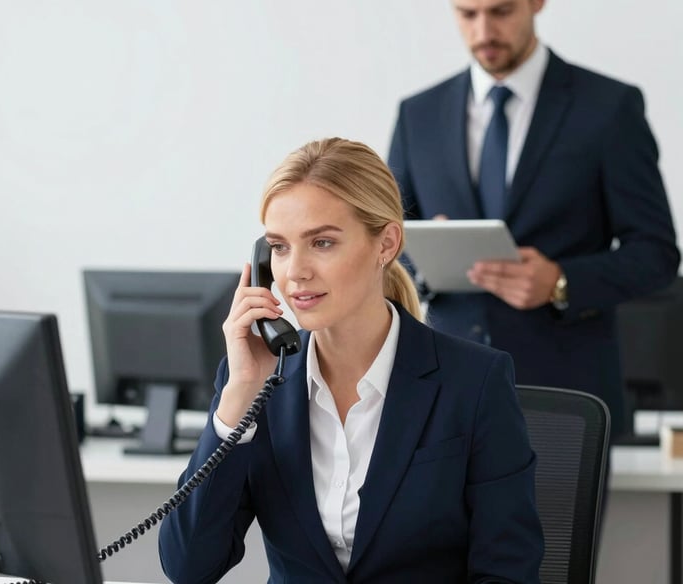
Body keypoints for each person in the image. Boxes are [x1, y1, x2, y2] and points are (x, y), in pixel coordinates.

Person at [158, 137, 543, 583]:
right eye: (279, 247)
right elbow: (189, 567)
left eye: (322, 242)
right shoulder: (256, 384)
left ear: (386, 244)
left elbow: (507, 572)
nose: (295, 271)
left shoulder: (474, 381)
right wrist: (238, 400)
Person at [387, 0, 680, 440]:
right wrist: (426, 261)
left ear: (536, 4)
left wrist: (561, 281)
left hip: (565, 396)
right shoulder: (418, 114)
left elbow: (656, 254)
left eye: (501, 11)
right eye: (468, 14)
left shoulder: (608, 107)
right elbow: (385, 244)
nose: (484, 31)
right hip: (442, 392)